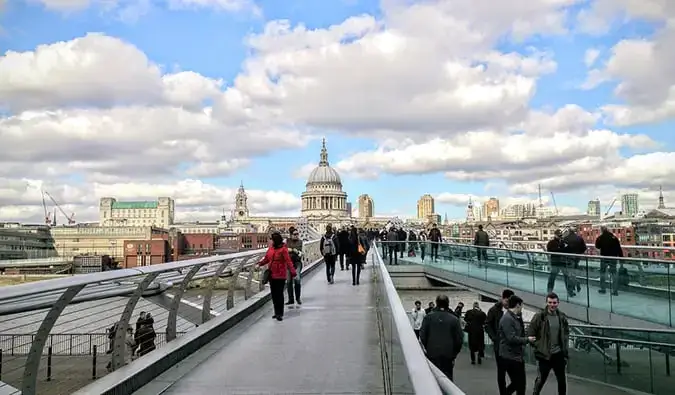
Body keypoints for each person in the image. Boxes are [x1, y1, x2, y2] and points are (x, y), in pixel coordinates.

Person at [528, 292, 570, 395]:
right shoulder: (539, 317)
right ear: (546, 303)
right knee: (541, 379)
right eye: (550, 302)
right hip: (544, 354)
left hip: (558, 353)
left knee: (562, 380)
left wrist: (564, 350)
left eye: (554, 302)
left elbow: (566, 332)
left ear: (558, 303)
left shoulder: (562, 317)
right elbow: (530, 333)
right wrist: (538, 345)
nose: (552, 305)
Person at [419, 294, 463, 381]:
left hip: (432, 353)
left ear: (436, 303)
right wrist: (454, 354)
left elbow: (422, 335)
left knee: (433, 379)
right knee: (447, 378)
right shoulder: (454, 319)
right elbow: (459, 339)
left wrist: (428, 348)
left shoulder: (428, 317)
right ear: (448, 303)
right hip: (448, 354)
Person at [498, 295, 536, 395]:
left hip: (516, 356)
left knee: (519, 384)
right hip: (511, 356)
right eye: (521, 306)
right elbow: (511, 338)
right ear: (518, 305)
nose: (522, 308)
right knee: (519, 384)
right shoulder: (507, 319)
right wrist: (527, 340)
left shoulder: (514, 317)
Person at [258, 231, 297, 321]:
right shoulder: (271, 249)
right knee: (274, 294)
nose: (270, 241)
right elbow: (267, 258)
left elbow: (288, 261)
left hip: (280, 275)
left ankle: (280, 313)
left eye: (271, 239)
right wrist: (260, 264)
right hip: (272, 274)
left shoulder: (283, 249)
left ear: (275, 240)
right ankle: (276, 312)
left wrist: (293, 271)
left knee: (279, 294)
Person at [485, 289, 515, 394]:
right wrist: (494, 338)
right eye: (507, 301)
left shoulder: (513, 311)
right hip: (499, 346)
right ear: (502, 299)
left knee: (516, 377)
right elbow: (487, 325)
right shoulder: (494, 310)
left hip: (512, 347)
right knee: (501, 372)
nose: (508, 304)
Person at [595, 226, 623, 295]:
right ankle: (615, 290)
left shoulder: (600, 238)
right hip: (613, 258)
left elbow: (597, 246)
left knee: (602, 273)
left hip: (604, 258)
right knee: (614, 274)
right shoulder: (614, 237)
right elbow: (619, 248)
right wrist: (621, 259)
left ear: (601, 230)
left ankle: (603, 289)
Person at [286, 227, 303, 305]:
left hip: (297, 263)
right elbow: (285, 250)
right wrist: (293, 250)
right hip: (289, 264)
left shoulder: (300, 242)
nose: (296, 235)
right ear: (291, 235)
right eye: (295, 234)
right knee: (289, 281)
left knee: (297, 280)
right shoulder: (286, 241)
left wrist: (291, 250)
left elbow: (298, 251)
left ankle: (298, 298)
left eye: (297, 234)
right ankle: (291, 299)